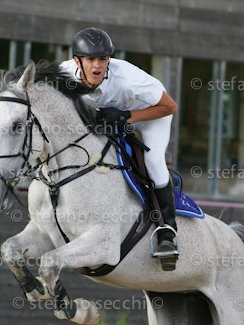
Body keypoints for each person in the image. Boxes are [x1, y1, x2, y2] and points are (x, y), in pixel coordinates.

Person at [60, 27, 179, 267]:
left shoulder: (127, 78)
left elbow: (170, 106)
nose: (97, 65)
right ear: (76, 61)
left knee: (153, 161)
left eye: (102, 59)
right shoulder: (63, 75)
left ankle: (167, 230)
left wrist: (127, 116)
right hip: (110, 115)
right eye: (90, 59)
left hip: (151, 113)